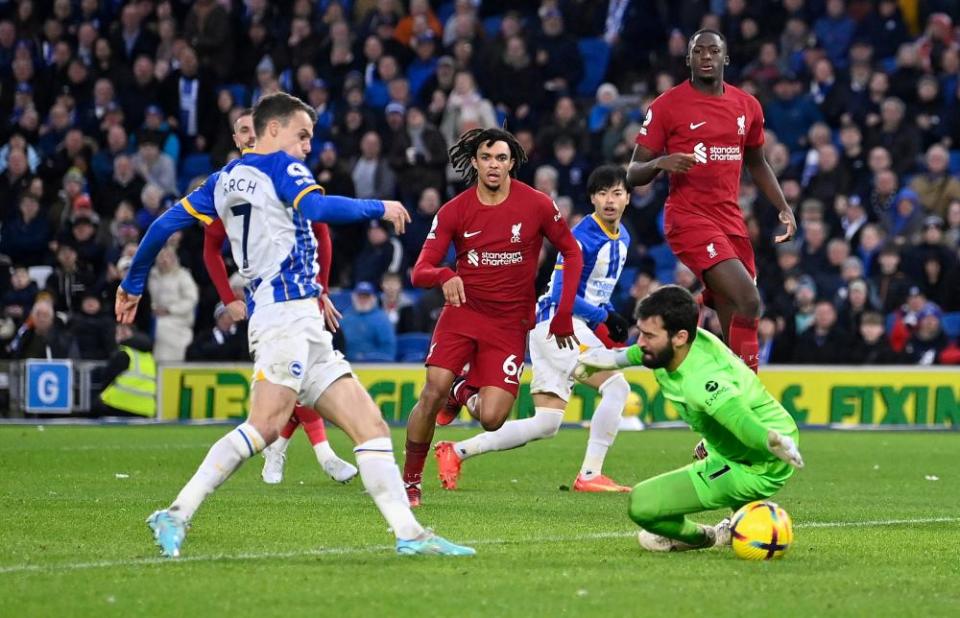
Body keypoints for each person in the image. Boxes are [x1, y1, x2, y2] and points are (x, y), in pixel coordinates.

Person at [116, 92, 473, 558]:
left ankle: (410, 535)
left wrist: (132, 282)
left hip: (299, 319)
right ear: (274, 130)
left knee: (371, 427)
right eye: (302, 135)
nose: (307, 147)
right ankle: (176, 512)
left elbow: (163, 225)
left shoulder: (221, 182)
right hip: (284, 318)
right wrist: (377, 207)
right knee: (263, 426)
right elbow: (318, 211)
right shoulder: (281, 167)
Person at [402, 127, 584, 507]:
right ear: (474, 163)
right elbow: (420, 271)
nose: (494, 165)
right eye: (486, 158)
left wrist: (564, 312)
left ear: (512, 162)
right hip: (463, 311)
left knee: (492, 418)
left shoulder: (537, 204)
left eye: (501, 158)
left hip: (509, 323)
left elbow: (572, 251)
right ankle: (411, 482)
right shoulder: (455, 210)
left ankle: (461, 390)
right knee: (432, 389)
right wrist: (445, 274)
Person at [433, 165, 635, 493]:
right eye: (602, 193)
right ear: (592, 198)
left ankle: (455, 451)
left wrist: (610, 314)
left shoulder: (622, 237)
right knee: (617, 387)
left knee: (546, 423)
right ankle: (589, 475)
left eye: (616, 193)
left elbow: (595, 289)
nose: (609, 200)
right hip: (560, 325)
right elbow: (558, 292)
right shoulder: (583, 236)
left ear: (628, 197)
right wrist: (602, 317)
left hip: (563, 329)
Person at [576, 285, 804, 553]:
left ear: (680, 337)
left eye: (649, 335)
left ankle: (702, 536)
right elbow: (643, 352)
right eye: (641, 332)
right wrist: (614, 358)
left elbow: (740, 422)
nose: (641, 342)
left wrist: (770, 440)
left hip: (759, 458)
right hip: (748, 442)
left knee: (643, 505)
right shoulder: (679, 346)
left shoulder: (702, 381)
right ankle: (740, 516)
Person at [200, 109, 356, 486]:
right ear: (237, 140)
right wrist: (228, 298)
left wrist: (320, 288)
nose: (250, 135)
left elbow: (322, 234)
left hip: (297, 292)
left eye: (255, 128)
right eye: (242, 130)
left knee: (297, 379)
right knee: (291, 382)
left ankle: (288, 452)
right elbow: (210, 248)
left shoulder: (288, 175)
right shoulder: (229, 186)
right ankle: (311, 454)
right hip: (262, 298)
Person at [628, 29, 798, 374]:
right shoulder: (667, 105)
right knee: (750, 299)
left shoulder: (747, 106)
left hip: (729, 220)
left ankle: (729, 408)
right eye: (699, 51)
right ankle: (750, 394)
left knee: (734, 311)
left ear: (726, 58)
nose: (706, 56)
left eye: (713, 51)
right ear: (688, 59)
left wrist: (783, 206)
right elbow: (632, 172)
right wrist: (661, 163)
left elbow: (757, 162)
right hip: (689, 217)